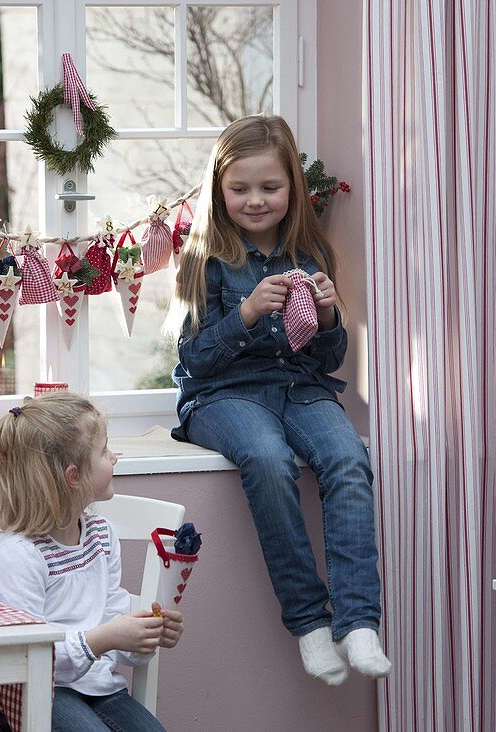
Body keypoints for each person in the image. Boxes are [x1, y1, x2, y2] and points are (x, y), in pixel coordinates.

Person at [170, 114, 390, 685]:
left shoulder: (310, 253)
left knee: (348, 459)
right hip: (223, 395)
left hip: (300, 388)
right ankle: (310, 623)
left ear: (292, 185)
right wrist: (244, 315)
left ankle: (360, 620)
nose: (255, 200)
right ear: (219, 189)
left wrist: (326, 316)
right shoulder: (206, 256)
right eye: (240, 188)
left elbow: (326, 359)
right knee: (267, 460)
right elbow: (194, 359)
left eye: (269, 187)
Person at [0, 393, 183, 731]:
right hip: (37, 694)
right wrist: (104, 639)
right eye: (104, 451)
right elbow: (28, 659)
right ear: (73, 476)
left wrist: (143, 636)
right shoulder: (18, 557)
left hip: (98, 687)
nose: (114, 458)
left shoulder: (101, 535)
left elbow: (111, 619)